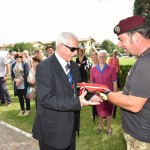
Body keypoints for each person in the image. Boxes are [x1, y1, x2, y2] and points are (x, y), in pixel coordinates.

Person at [32, 32, 101, 150]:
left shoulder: (73, 66)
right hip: (52, 132)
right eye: (73, 49)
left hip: (71, 129)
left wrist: (90, 96)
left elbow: (77, 88)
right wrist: (77, 102)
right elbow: (46, 99)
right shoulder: (44, 67)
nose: (75, 53)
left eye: (77, 49)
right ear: (60, 46)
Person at [100, 15, 150, 149]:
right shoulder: (144, 59)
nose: (118, 44)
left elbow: (134, 104)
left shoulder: (146, 62)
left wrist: (106, 94)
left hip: (142, 139)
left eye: (121, 39)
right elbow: (132, 93)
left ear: (137, 37)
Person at [90, 50, 117, 135]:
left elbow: (114, 82)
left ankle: (109, 127)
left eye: (103, 56)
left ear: (106, 57)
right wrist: (94, 94)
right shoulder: (93, 69)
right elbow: (92, 83)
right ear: (97, 57)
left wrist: (114, 95)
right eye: (100, 56)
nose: (101, 58)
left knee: (108, 111)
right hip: (98, 94)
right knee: (100, 110)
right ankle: (100, 125)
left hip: (109, 94)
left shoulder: (111, 69)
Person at [108, 49, 122, 118]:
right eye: (114, 53)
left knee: (117, 88)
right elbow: (108, 66)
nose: (115, 54)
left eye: (116, 53)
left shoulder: (117, 59)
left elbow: (118, 66)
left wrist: (119, 70)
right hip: (112, 74)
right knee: (112, 88)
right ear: (113, 53)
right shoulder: (110, 58)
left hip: (116, 74)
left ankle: (114, 110)